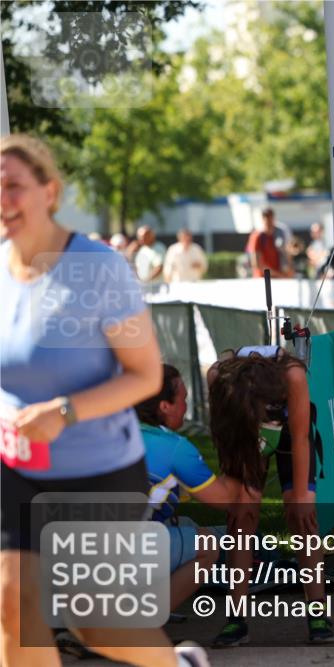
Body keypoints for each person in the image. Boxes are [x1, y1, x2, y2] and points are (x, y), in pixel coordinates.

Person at [0, 134, 210, 667]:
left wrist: (64, 411)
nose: (2, 200)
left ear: (50, 191)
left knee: (94, 622)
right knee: (13, 609)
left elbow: (143, 375)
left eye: (13, 187)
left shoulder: (96, 268)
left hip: (97, 467)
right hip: (16, 467)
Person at [207, 347, 334, 646]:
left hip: (293, 433)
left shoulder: (292, 374)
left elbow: (301, 438)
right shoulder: (218, 376)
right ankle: (236, 618)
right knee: (241, 514)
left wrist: (303, 495)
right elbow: (224, 436)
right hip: (242, 432)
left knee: (300, 512)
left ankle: (318, 612)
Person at [135, 364, 242, 610]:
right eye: (183, 399)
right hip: (116, 554)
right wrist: (244, 443)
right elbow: (226, 500)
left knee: (186, 527)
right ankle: (139, 624)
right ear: (164, 406)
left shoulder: (106, 431)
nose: (186, 407)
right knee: (208, 546)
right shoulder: (174, 447)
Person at [246, 208, 290, 278]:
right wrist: (280, 275)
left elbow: (285, 254)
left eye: (271, 218)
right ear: (263, 219)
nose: (270, 222)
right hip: (263, 278)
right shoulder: (257, 236)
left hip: (277, 278)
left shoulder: (278, 234)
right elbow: (257, 264)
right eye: (268, 219)